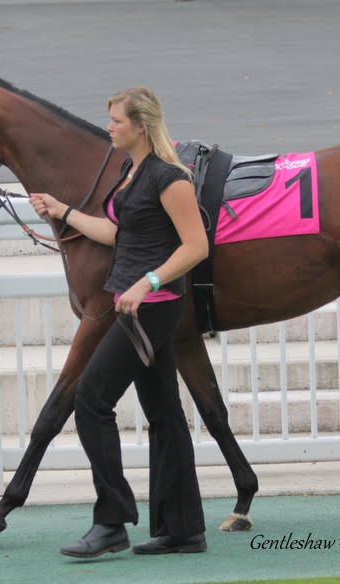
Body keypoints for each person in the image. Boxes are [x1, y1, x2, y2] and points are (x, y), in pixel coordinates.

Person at [30, 86, 208, 558]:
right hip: (135, 304)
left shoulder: (171, 178)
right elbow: (115, 231)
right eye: (109, 119)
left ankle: (112, 520)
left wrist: (146, 282)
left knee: (90, 400)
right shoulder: (131, 173)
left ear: (142, 126)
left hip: (150, 307)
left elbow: (196, 246)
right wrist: (61, 211)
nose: (109, 127)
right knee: (165, 414)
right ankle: (183, 529)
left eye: (117, 121)